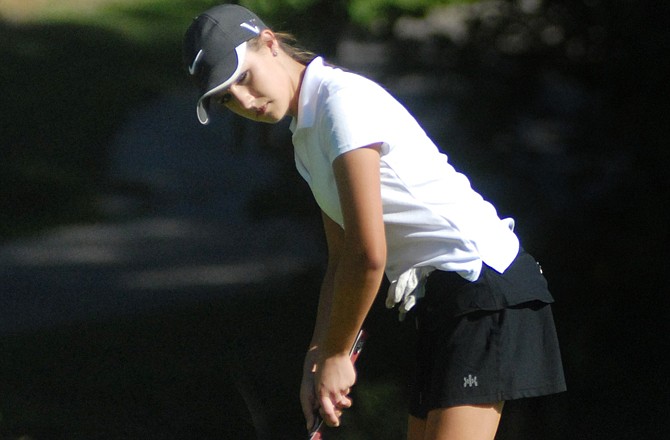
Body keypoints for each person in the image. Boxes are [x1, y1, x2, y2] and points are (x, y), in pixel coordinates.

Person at [183, 4, 566, 439]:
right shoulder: (305, 137)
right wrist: (318, 353)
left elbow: (369, 254)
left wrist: (337, 355)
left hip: (484, 285)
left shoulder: (339, 104)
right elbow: (341, 256)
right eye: (229, 98)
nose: (246, 102)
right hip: (445, 301)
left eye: (245, 78)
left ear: (270, 44)